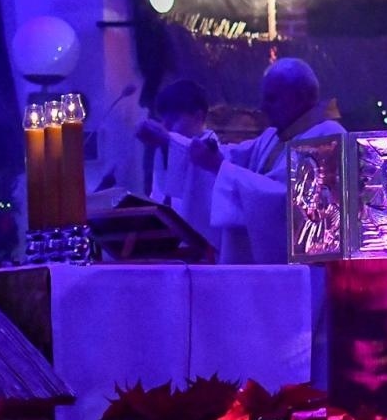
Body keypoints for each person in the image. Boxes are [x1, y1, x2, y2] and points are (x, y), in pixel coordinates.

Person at [188, 58, 344, 265]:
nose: (263, 107)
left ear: (301, 98)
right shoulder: (273, 135)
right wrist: (177, 143)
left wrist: (219, 168)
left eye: (272, 99)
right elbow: (233, 156)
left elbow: (288, 202)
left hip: (306, 269)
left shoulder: (329, 137)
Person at [135, 79, 219, 249]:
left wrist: (169, 141)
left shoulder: (216, 156)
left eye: (172, 121)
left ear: (198, 117)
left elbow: (204, 213)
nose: (165, 127)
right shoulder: (169, 151)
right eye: (162, 121)